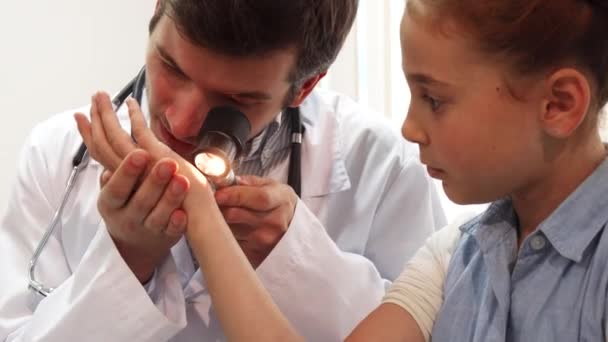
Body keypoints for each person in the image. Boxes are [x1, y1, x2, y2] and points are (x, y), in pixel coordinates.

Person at [77, 0, 608, 340]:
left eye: (434, 99)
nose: (409, 127)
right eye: (171, 67)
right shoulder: (456, 256)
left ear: (559, 104)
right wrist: (196, 207)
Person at [0, 0, 446, 341]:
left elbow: (436, 327)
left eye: (236, 101)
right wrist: (128, 258)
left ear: (305, 86)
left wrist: (299, 260)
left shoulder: (381, 164)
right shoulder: (59, 154)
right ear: (157, 10)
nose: (181, 121)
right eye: (171, 67)